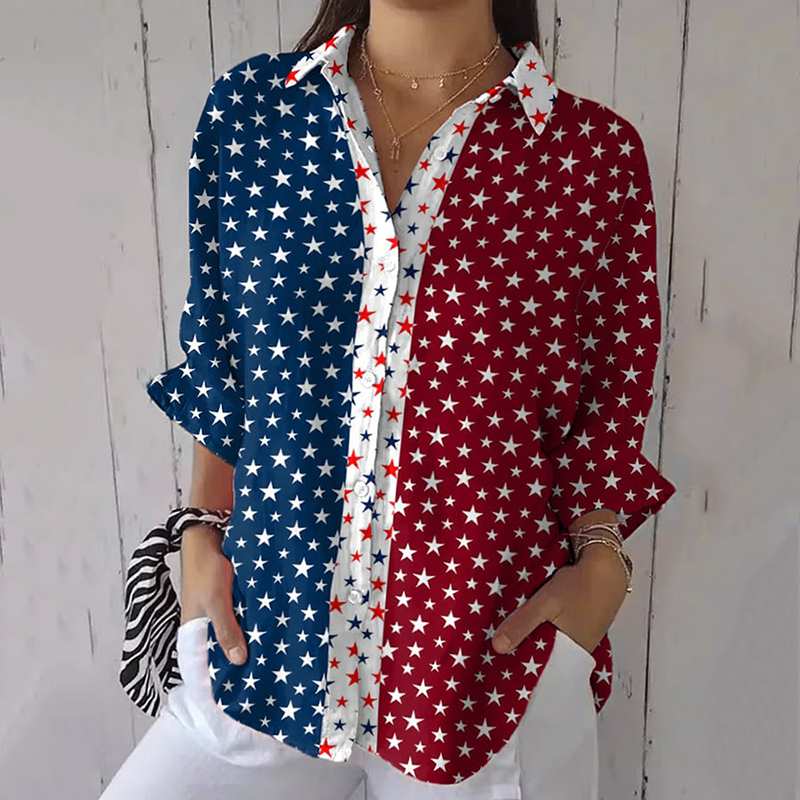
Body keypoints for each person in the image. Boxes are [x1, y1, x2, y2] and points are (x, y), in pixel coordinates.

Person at [101, 0, 677, 798]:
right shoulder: (254, 114)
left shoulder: (589, 156)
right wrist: (201, 530)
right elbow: (222, 360)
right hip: (265, 640)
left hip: (486, 673)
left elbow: (609, 405)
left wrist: (601, 569)